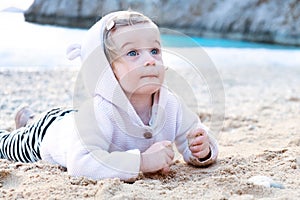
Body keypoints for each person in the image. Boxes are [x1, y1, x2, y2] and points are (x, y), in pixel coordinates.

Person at [0, 10, 218, 181]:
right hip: (48, 134)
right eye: (133, 53)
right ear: (106, 69)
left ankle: (28, 119)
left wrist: (202, 150)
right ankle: (31, 123)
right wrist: (142, 162)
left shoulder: (171, 104)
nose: (150, 60)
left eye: (155, 50)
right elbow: (80, 164)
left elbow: (195, 135)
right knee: (7, 144)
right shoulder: (99, 112)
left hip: (73, 118)